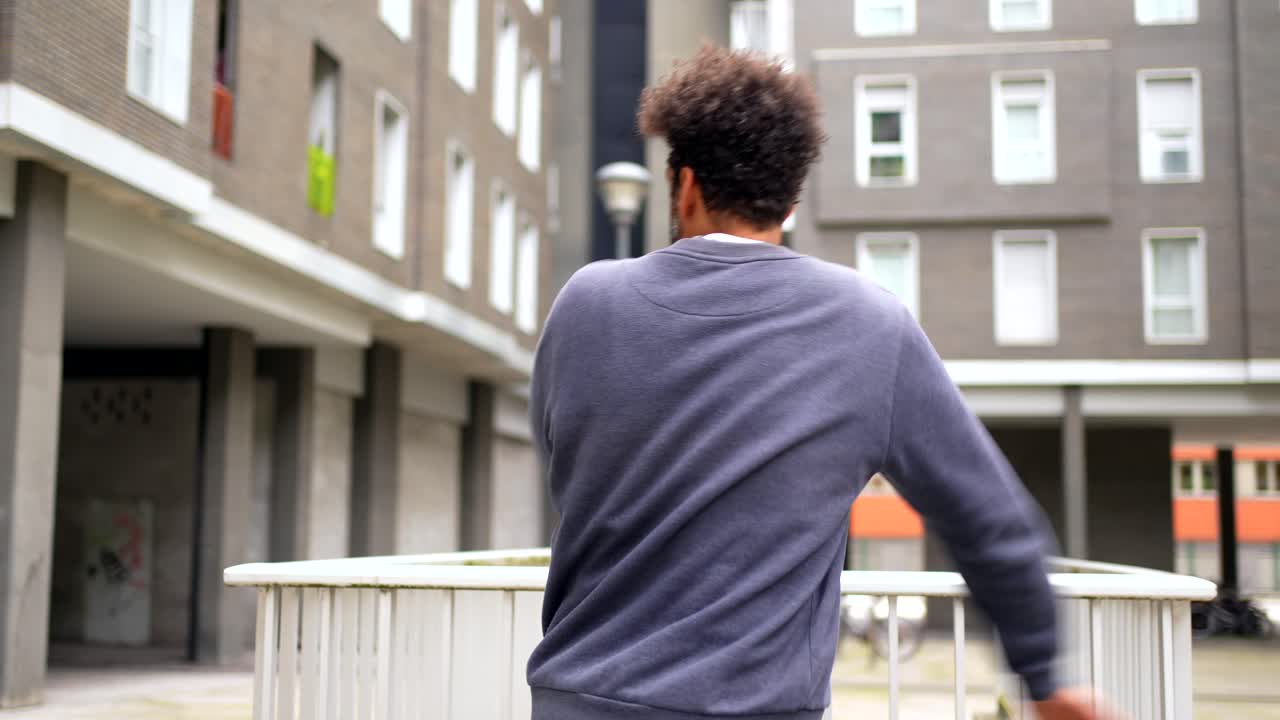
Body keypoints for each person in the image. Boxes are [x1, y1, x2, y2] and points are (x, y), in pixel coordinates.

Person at [527, 47, 1105, 720]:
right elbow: (989, 520)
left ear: (683, 185)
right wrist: (1043, 676)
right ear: (792, 201)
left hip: (579, 703)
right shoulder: (869, 323)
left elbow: (565, 466)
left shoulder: (587, 301)